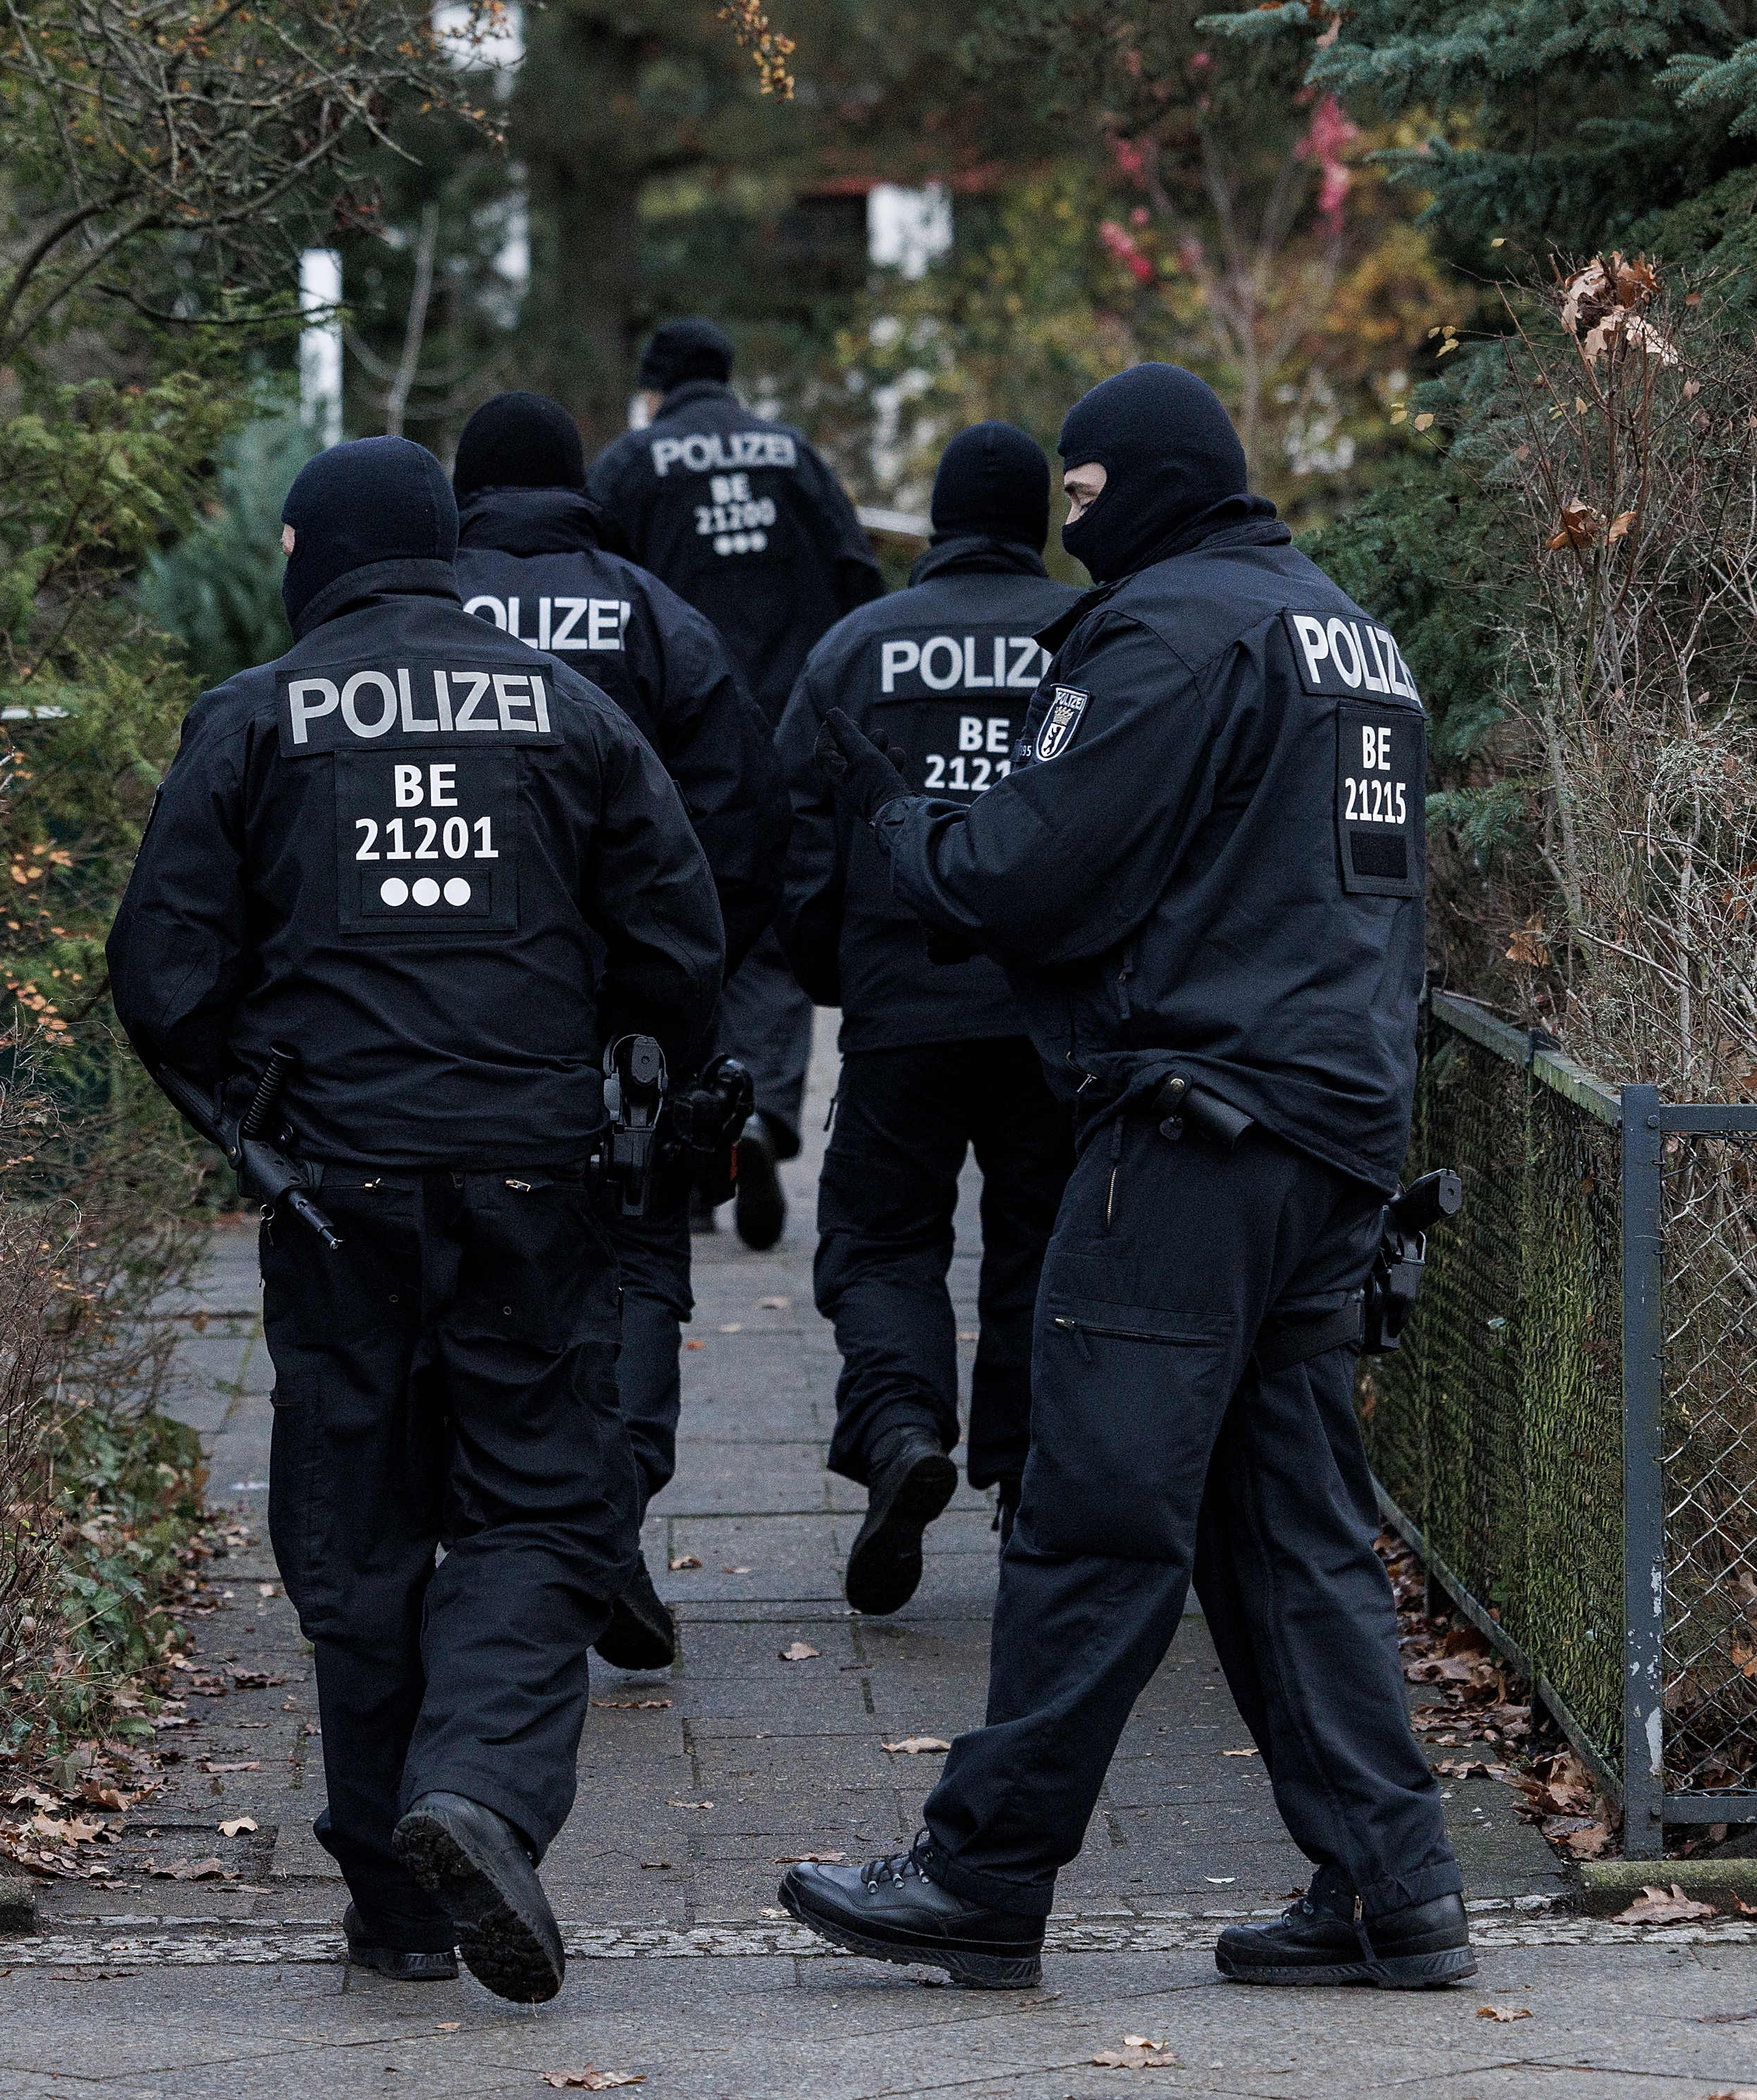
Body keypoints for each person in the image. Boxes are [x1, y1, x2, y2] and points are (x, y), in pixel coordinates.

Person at [779, 364, 1469, 1992]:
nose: (1074, 526)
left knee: (1096, 1515)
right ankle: (1396, 1887)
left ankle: (981, 1874)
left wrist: (907, 828)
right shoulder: (1351, 638)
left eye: (1085, 498)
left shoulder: (1167, 633)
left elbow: (1027, 868)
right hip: (1330, 1136)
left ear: (1152, 479)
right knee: (1289, 1531)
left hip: (1189, 1139)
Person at [110, 437, 730, 2004]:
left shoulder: (254, 714)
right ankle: (482, 1794)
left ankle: (394, 1896)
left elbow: (162, 971)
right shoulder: (568, 709)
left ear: (315, 551)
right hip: (537, 1178)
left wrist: (252, 1115)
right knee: (537, 1506)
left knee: (357, 1524)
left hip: (337, 1191)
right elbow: (679, 939)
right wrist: (620, 1078)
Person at [448, 389, 784, 1672]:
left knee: (472, 1270)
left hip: (443, 1011)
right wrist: (691, 981)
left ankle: (511, 1532)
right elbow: (742, 819)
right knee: (639, 1257)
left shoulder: (411, 618)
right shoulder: (655, 616)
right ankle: (605, 1510)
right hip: (627, 1013)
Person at [772, 423, 1080, 1617]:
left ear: (941, 520)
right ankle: (1028, 1483)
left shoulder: (856, 648)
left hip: (903, 1006)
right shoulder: (1086, 637)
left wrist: (834, 966)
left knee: (883, 1238)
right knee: (1041, 1244)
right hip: (1049, 1006)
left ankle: (902, 1425)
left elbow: (800, 828)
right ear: (1042, 520)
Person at [588, 318, 882, 1249]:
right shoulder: (792, 456)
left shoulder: (633, 464)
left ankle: (681, 1128)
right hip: (787, 728)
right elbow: (857, 578)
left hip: (670, 736)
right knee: (770, 927)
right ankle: (753, 1109)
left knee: (671, 925)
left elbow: (592, 584)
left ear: (655, 388)